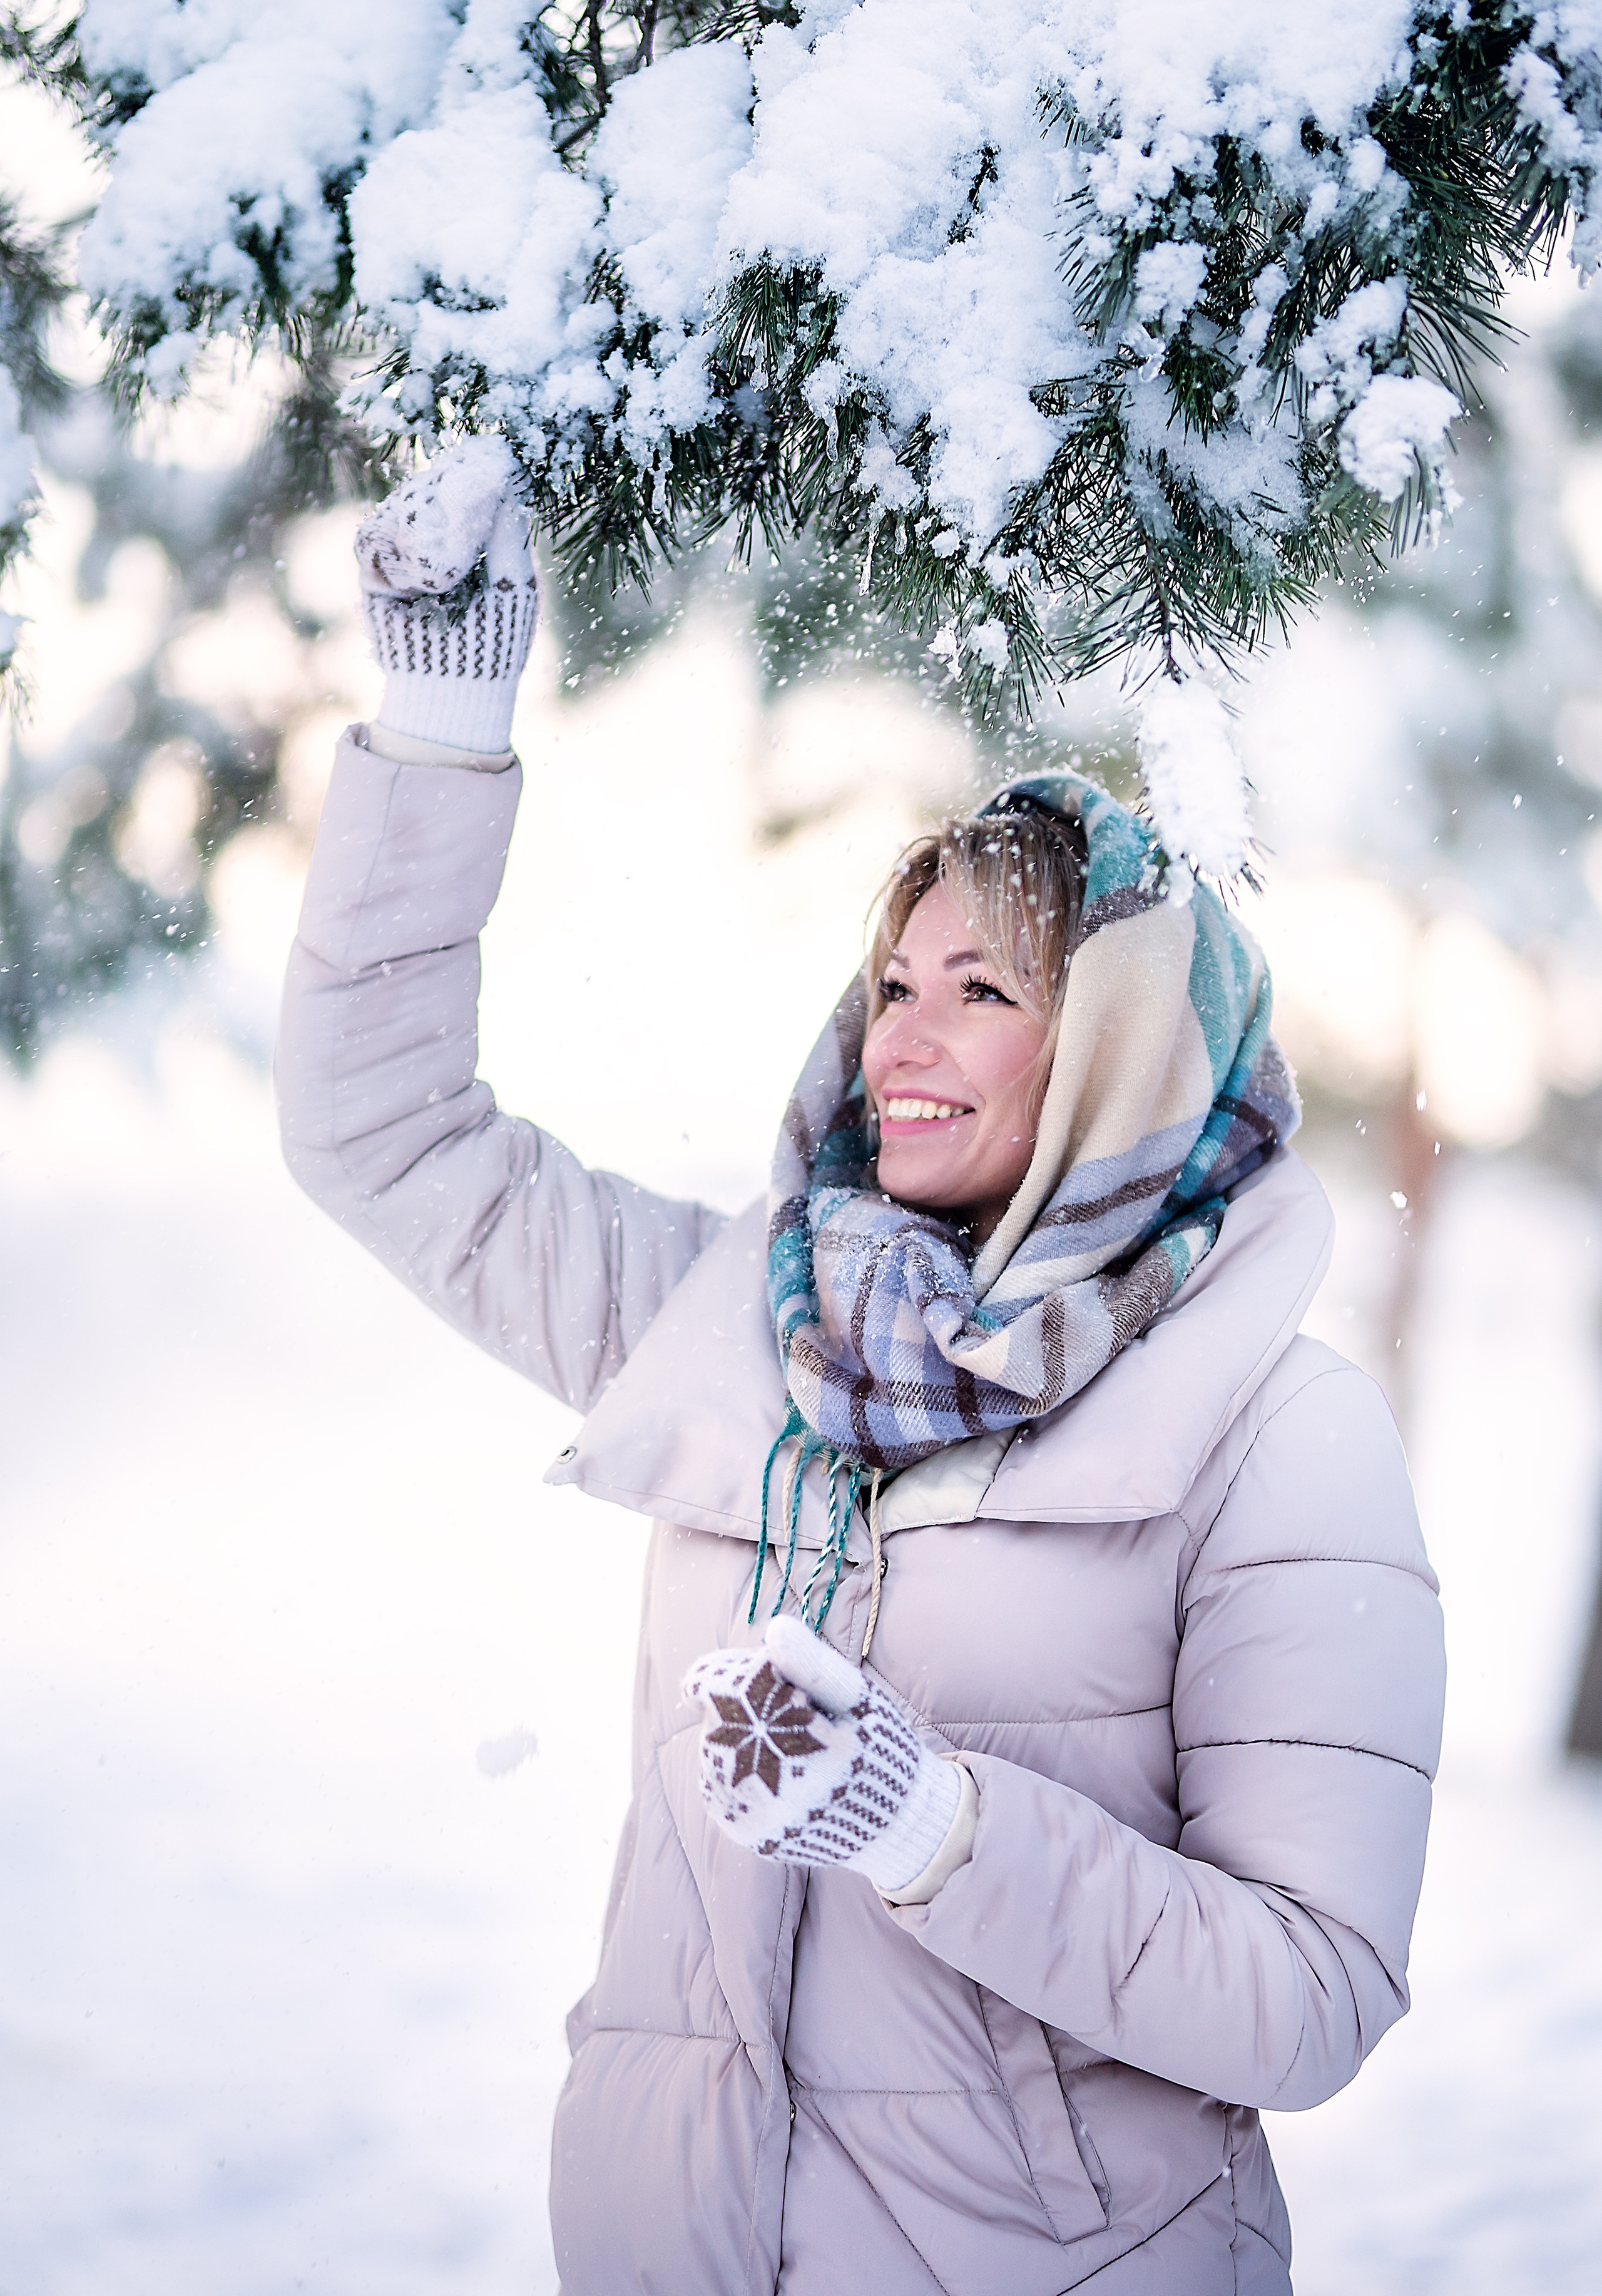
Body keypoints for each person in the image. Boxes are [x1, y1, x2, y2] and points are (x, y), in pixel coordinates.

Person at [278, 445, 1446, 2295]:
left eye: (987, 992)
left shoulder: (1274, 1438)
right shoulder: (747, 1321)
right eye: (894, 983)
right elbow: (379, 1135)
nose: (907, 1037)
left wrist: (934, 1827)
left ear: (1123, 1054)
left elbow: (1309, 1999)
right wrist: (433, 733)